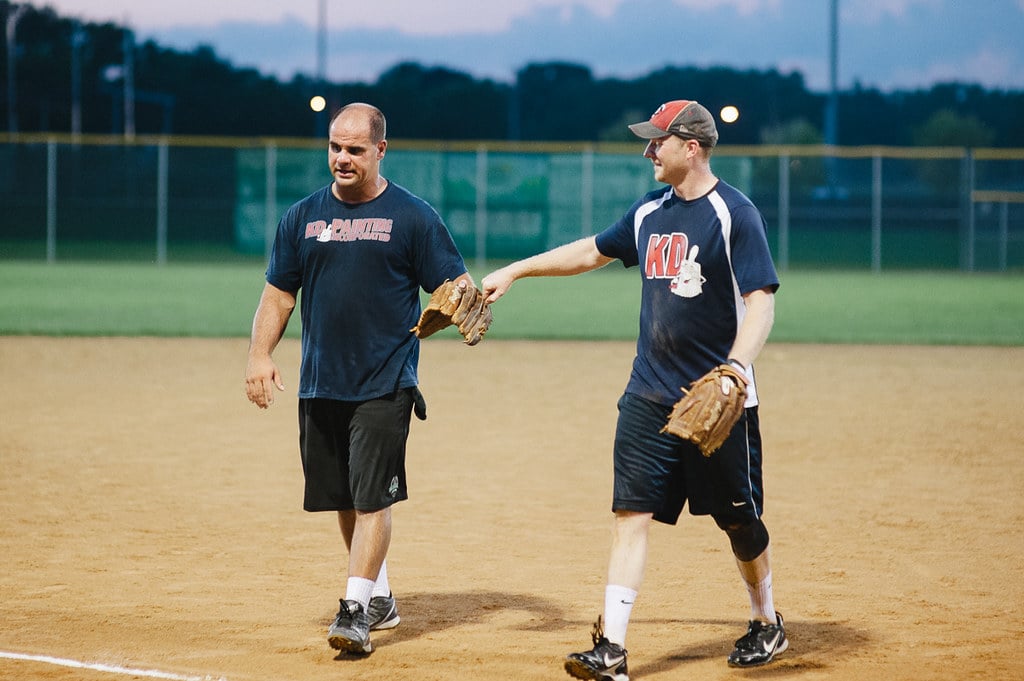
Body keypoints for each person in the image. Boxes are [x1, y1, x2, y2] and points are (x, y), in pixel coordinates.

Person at [482, 100, 784, 679]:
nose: (649, 150)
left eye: (658, 142)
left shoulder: (733, 214)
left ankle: (766, 621)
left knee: (740, 522)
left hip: (717, 400)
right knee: (631, 513)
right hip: (648, 393)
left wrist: (734, 371)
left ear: (690, 147)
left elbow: (761, 303)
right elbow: (591, 251)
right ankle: (612, 650)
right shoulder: (649, 212)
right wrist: (515, 270)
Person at [245, 102, 477, 656]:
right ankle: (381, 594)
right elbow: (280, 294)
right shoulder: (301, 217)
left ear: (380, 150)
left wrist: (456, 306)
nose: (342, 158)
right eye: (335, 147)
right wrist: (259, 354)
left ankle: (354, 609)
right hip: (321, 381)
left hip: (385, 380)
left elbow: (457, 284)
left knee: (373, 497)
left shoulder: (413, 217)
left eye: (354, 149)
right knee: (347, 497)